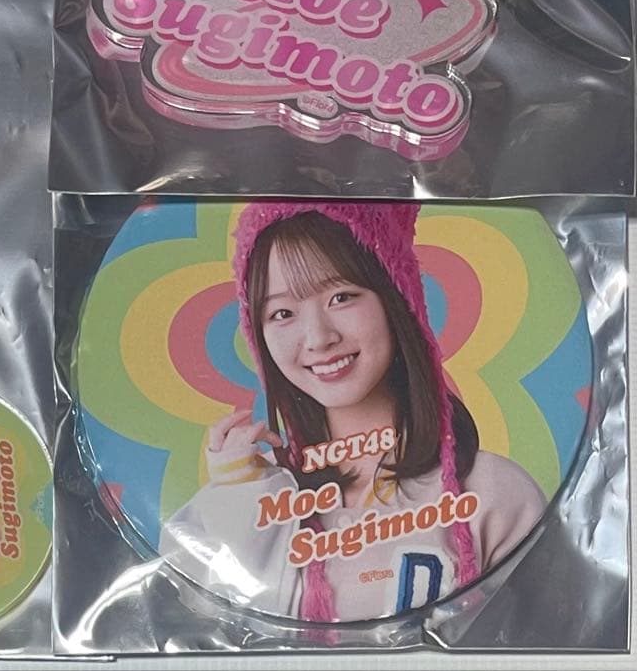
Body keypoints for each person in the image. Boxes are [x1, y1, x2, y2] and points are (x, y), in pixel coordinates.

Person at [160, 201, 546, 622]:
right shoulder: (264, 500)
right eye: (282, 313)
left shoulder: (492, 492)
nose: (318, 337)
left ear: (397, 298)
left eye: (341, 297)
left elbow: (534, 637)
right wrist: (236, 500)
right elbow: (205, 629)